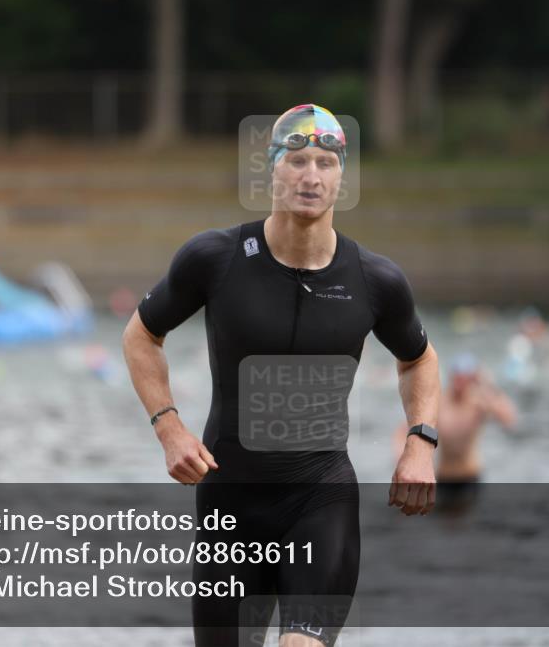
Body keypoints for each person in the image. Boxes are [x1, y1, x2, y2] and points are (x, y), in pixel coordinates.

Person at [122, 104, 442, 647]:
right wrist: (169, 428)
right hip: (230, 502)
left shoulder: (376, 280)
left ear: (343, 177)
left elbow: (419, 359)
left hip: (320, 497)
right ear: (270, 169)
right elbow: (140, 336)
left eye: (325, 162)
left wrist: (420, 442)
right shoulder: (215, 258)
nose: (311, 176)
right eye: (296, 160)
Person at [395, 353, 516, 514]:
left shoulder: (478, 403)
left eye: (465, 376)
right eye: (457, 375)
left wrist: (487, 384)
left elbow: (509, 419)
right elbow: (405, 429)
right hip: (444, 477)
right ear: (451, 376)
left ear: (471, 378)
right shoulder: (440, 404)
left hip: (470, 477)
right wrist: (404, 456)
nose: (460, 380)